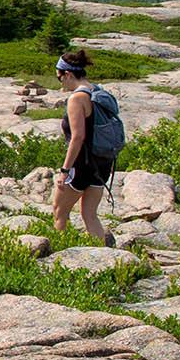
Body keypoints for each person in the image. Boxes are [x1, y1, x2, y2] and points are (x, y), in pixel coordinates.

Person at [53, 48, 113, 243]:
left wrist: (64, 170)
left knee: (60, 213)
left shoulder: (77, 99)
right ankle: (104, 255)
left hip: (81, 164)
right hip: (103, 162)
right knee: (90, 215)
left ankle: (60, 255)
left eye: (60, 78)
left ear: (68, 74)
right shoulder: (97, 91)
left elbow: (78, 137)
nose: (61, 82)